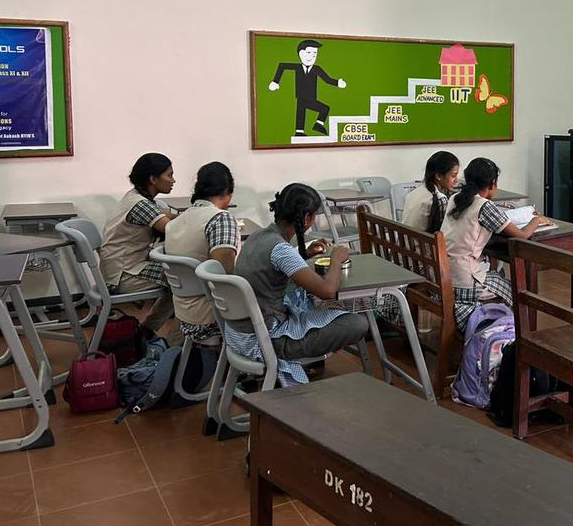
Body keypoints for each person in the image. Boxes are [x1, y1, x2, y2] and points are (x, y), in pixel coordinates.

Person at [230, 183, 368, 385]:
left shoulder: (257, 236)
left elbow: (273, 268)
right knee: (357, 323)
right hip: (267, 339)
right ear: (306, 218)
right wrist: (336, 259)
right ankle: (301, 356)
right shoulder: (280, 249)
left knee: (305, 300)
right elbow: (327, 291)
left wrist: (304, 254)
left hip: (239, 334)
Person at [441, 158, 548, 331]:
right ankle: (516, 334)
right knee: (517, 289)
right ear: (492, 184)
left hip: (445, 275)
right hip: (465, 282)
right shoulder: (485, 206)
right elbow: (522, 236)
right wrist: (537, 220)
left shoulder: (454, 198)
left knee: (496, 275)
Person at [100, 153, 178, 339]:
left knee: (183, 278)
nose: (173, 180)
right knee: (185, 279)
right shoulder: (140, 204)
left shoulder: (137, 197)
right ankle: (174, 340)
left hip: (124, 267)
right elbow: (174, 230)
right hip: (123, 274)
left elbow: (170, 216)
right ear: (153, 179)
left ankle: (146, 331)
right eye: (169, 175)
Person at [163, 162, 239, 343]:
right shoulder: (221, 218)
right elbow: (223, 276)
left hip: (184, 316)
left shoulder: (175, 222)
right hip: (214, 317)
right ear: (227, 191)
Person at [268, 39, 346, 137]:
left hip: (311, 97)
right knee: (301, 112)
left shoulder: (316, 68)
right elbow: (282, 66)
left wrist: (338, 83)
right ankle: (300, 131)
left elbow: (327, 79)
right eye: (308, 53)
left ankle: (318, 125)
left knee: (324, 109)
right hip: (300, 96)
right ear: (301, 54)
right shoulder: (298, 67)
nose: (312, 56)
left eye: (315, 54)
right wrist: (275, 81)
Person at [402, 151, 460, 233]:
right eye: (453, 175)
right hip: (422, 241)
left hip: (405, 239)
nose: (456, 179)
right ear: (438, 176)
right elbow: (445, 231)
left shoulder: (413, 192)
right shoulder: (440, 199)